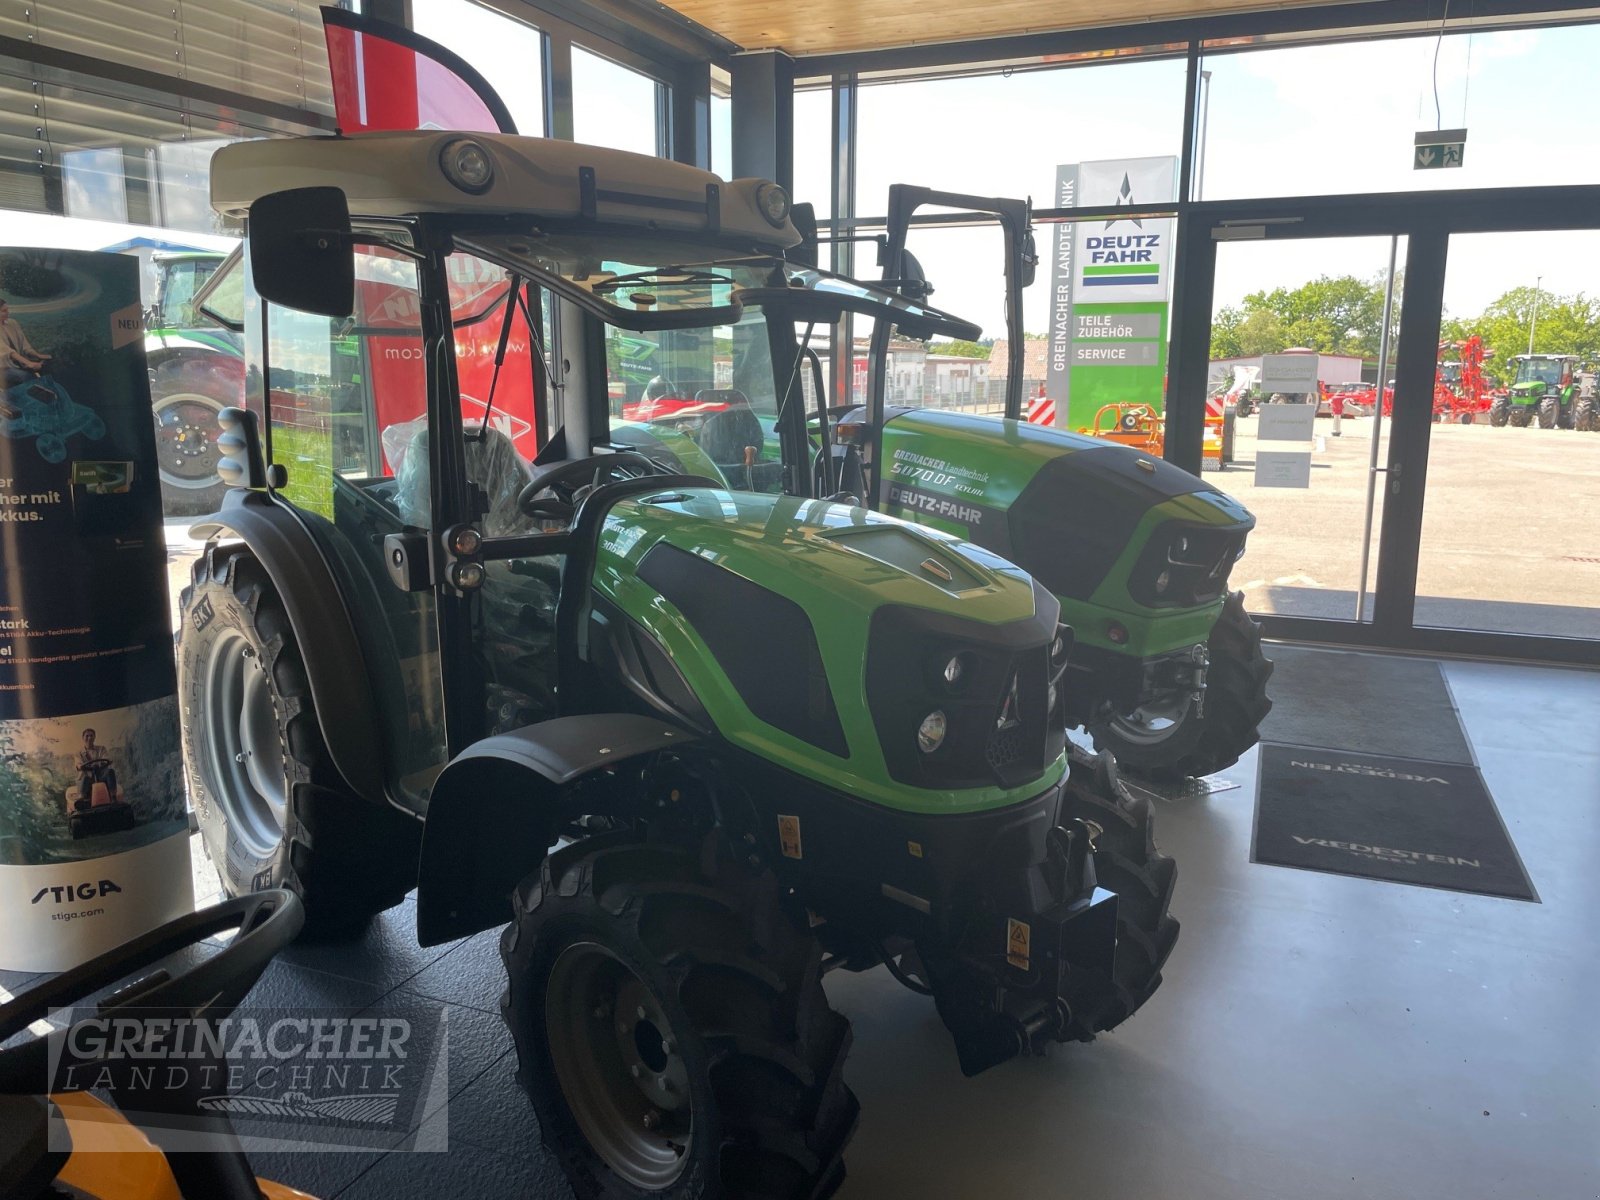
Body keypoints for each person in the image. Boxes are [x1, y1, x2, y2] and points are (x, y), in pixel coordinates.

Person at [1, 300, 50, 387]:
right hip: (3, 367)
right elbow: (9, 352)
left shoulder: (12, 323)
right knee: (24, 376)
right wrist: (29, 363)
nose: (8, 312)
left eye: (7, 310)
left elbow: (25, 346)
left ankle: (50, 392)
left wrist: (38, 356)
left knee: (47, 366)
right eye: (4, 311)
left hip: (19, 362)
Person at [76, 727, 118, 805]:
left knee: (110, 771)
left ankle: (113, 797)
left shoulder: (101, 749)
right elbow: (78, 764)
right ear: (83, 738)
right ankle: (82, 798)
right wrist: (80, 766)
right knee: (84, 778)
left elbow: (106, 758)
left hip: (101, 775)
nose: (89, 738)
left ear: (94, 737)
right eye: (87, 736)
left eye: (91, 735)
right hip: (88, 776)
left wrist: (101, 763)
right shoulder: (79, 753)